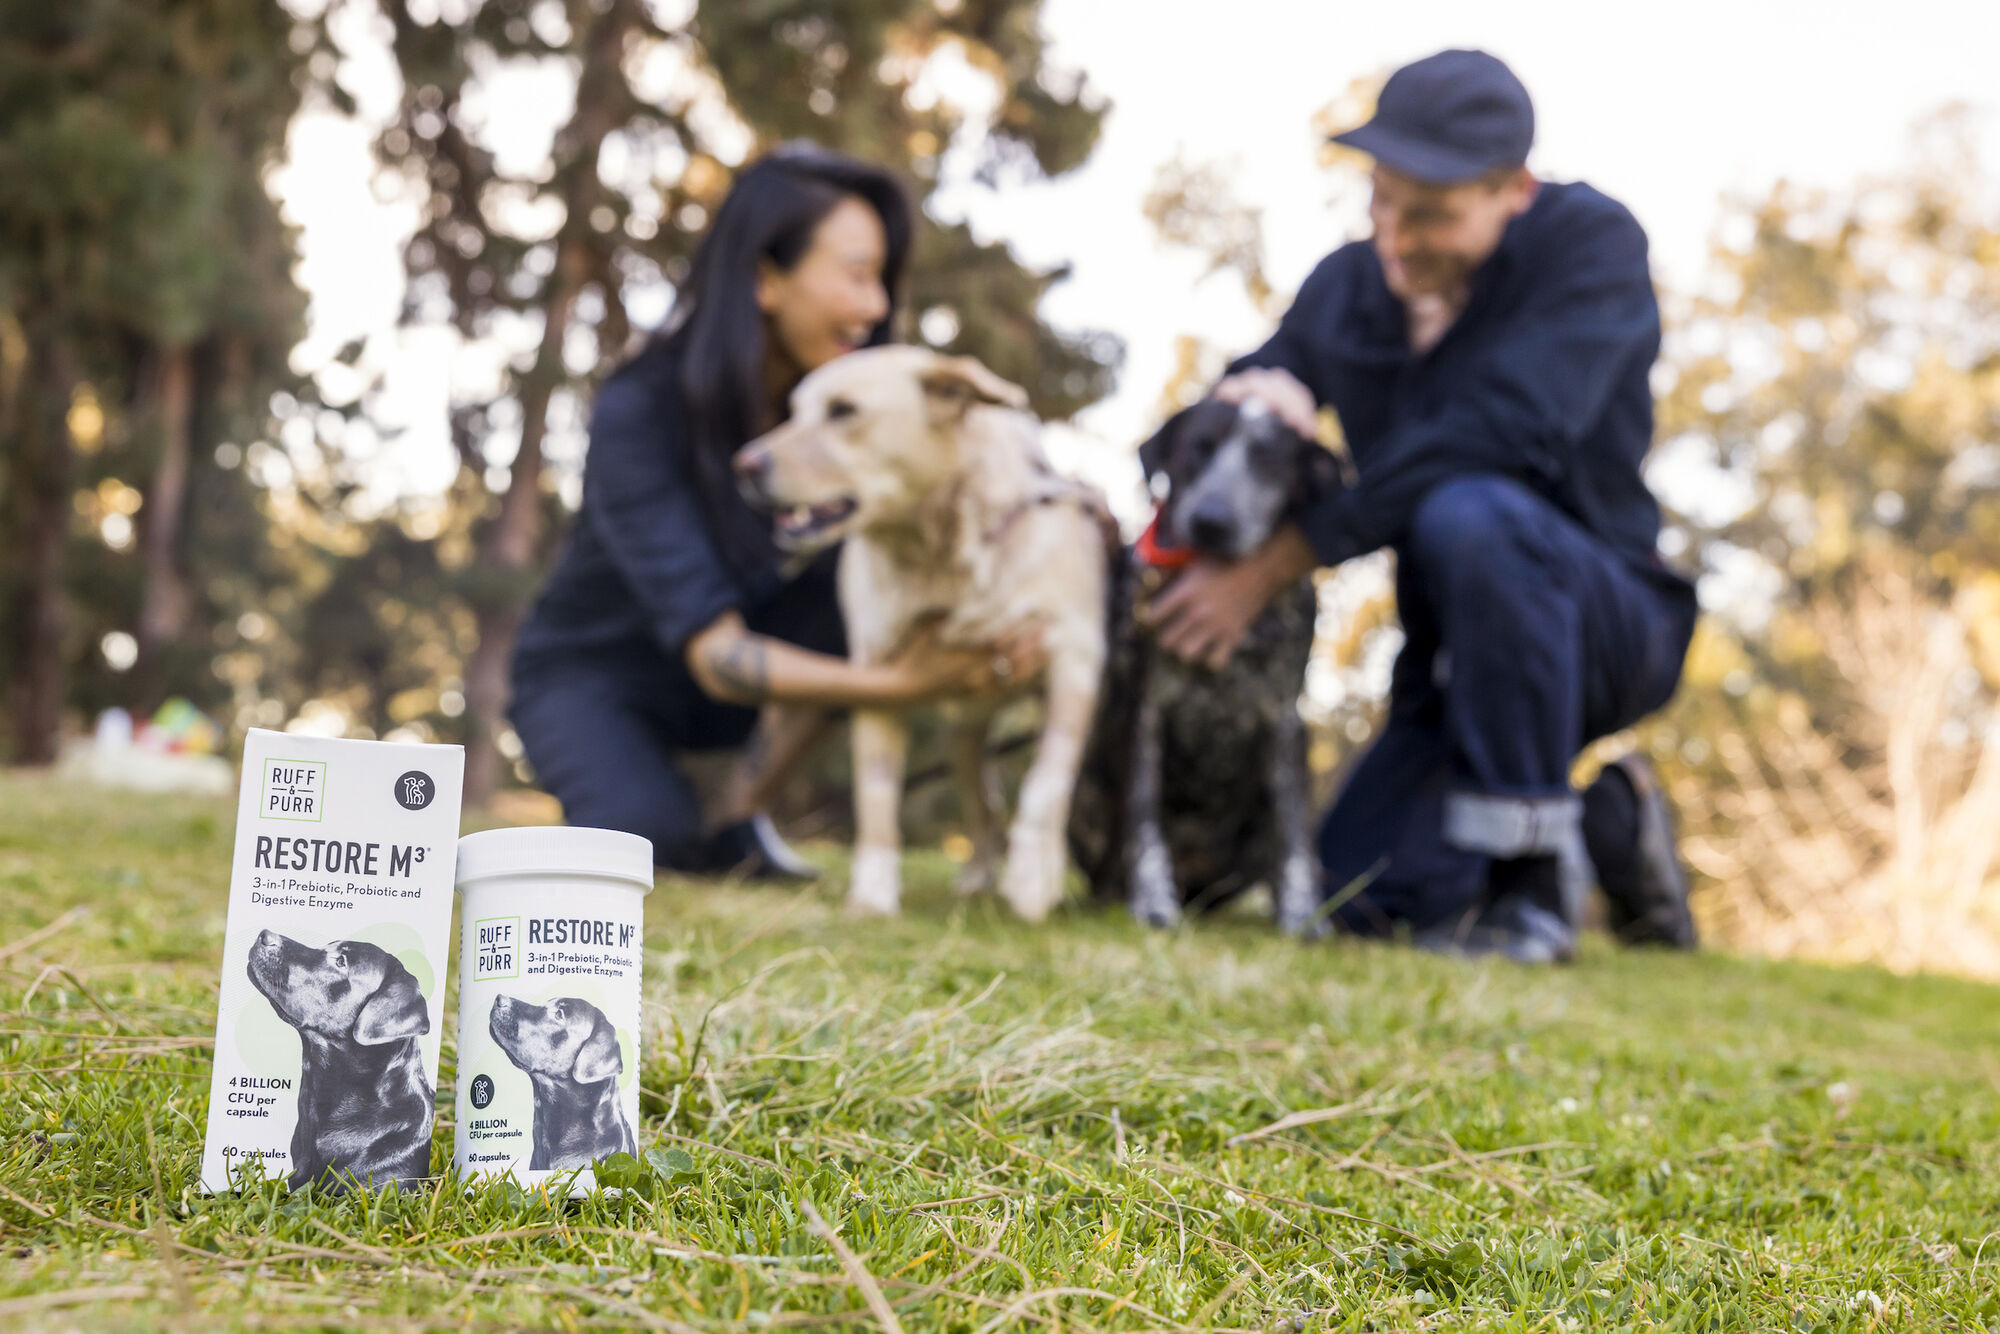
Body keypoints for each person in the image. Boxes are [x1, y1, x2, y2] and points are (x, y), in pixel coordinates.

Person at [1147, 49, 1700, 962]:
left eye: (1431, 213)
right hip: (1453, 660)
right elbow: (1272, 367)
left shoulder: (1591, 249)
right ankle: (1616, 821)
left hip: (1610, 621)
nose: (1397, 239)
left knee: (1470, 510)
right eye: (1382, 201)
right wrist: (1264, 387)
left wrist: (1283, 559)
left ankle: (1530, 898)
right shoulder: (1351, 284)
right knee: (1354, 897)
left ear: (1512, 191)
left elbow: (1501, 431)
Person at [509, 145, 1041, 875]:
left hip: (749, 661)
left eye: (882, 280)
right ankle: (673, 814)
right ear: (765, 278)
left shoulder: (859, 420)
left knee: (856, 571)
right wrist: (908, 685)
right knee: (648, 843)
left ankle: (739, 815)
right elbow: (722, 659)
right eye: (857, 275)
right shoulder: (641, 406)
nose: (877, 306)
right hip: (596, 675)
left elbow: (956, 501)